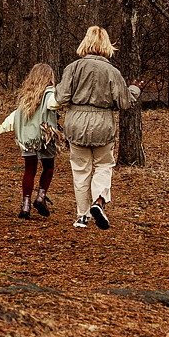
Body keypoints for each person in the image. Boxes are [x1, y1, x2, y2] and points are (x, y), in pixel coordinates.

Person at [57, 25, 140, 230]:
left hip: (76, 123)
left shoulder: (73, 68)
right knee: (103, 165)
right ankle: (99, 201)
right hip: (103, 123)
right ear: (106, 45)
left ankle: (82, 216)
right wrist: (135, 89)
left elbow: (61, 97)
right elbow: (124, 102)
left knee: (80, 169)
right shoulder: (112, 71)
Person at [0, 62, 61, 219]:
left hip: (27, 140)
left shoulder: (26, 97)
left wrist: (0, 129)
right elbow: (55, 104)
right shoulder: (50, 94)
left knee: (30, 169)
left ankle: (25, 205)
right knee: (48, 167)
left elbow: (15, 117)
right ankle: (41, 197)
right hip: (44, 138)